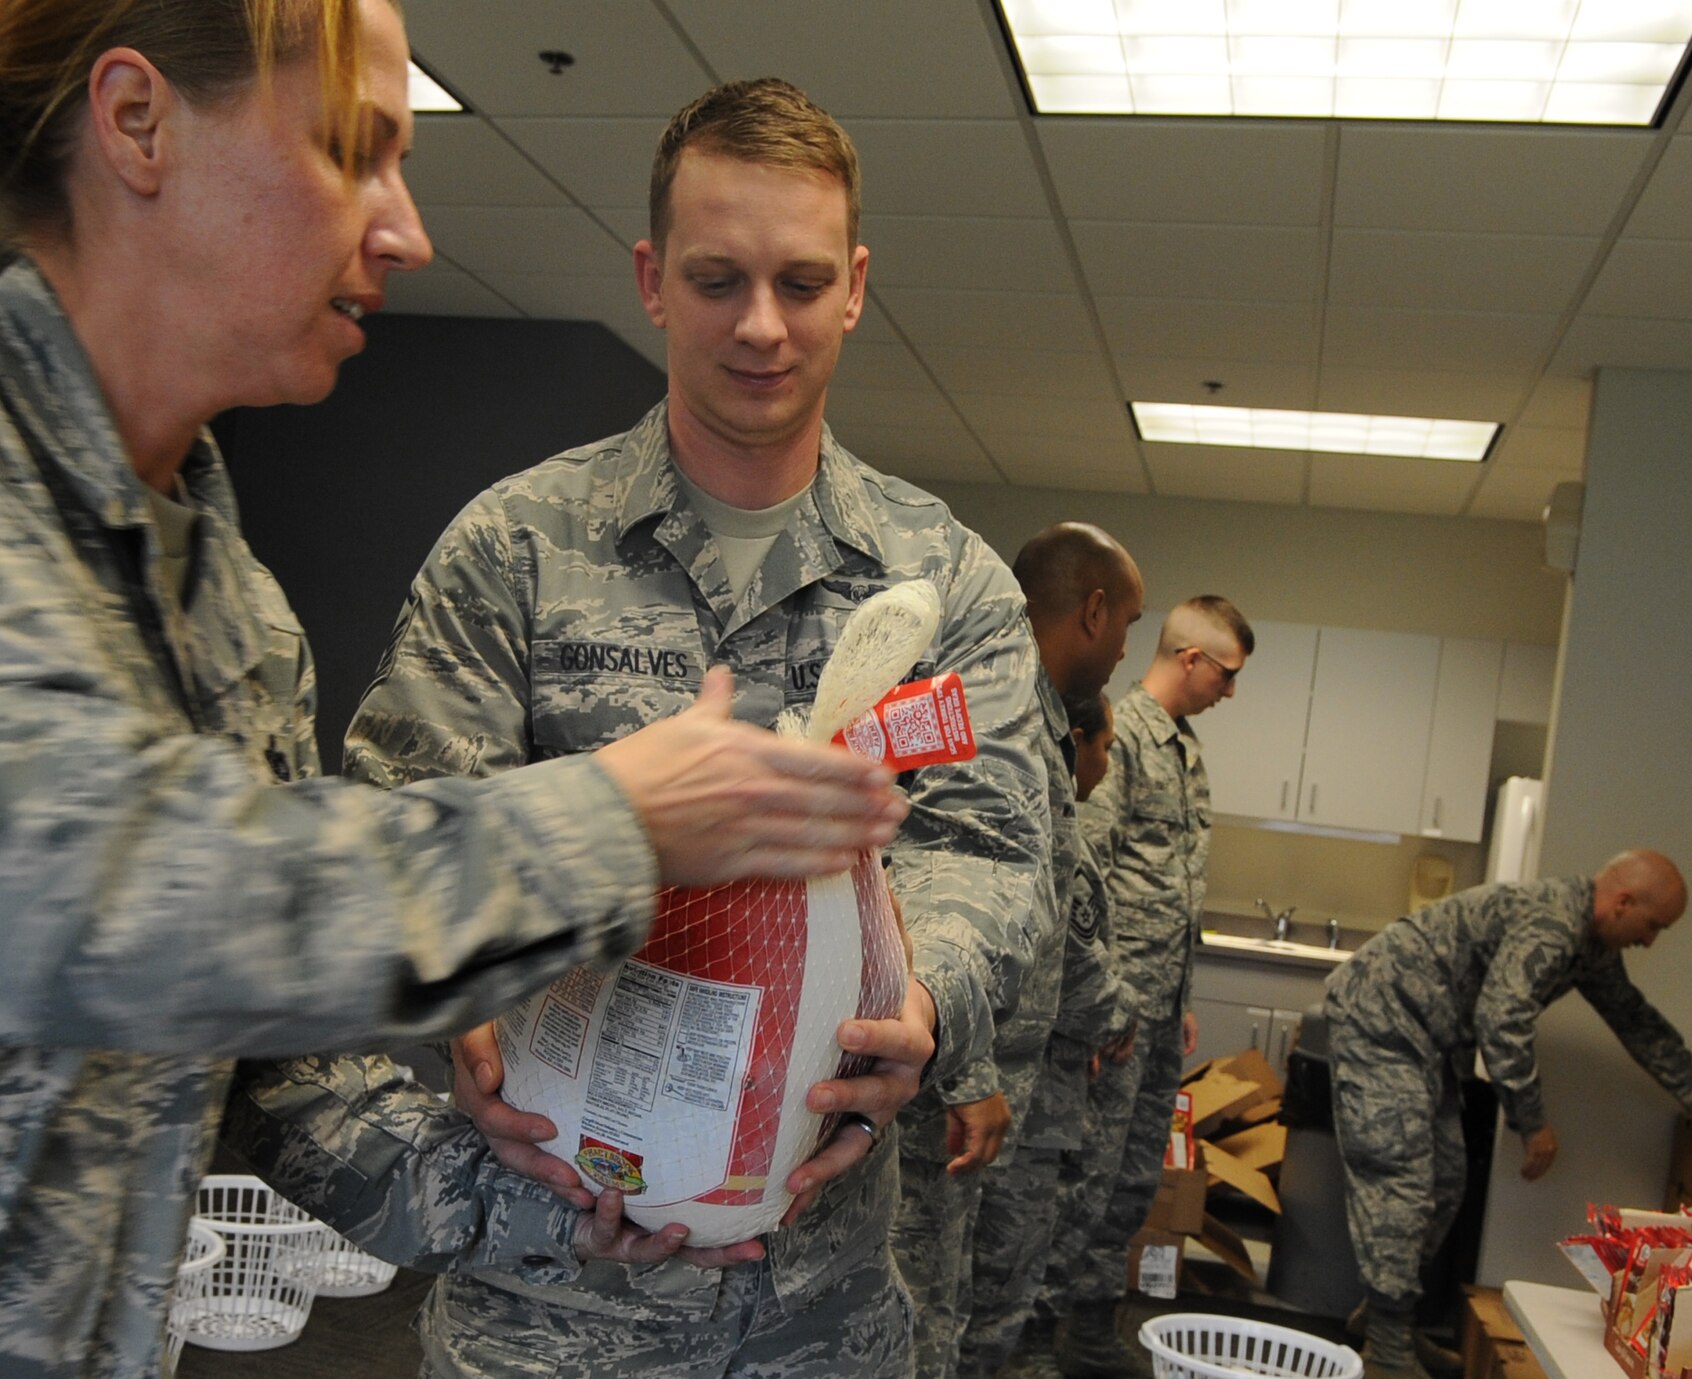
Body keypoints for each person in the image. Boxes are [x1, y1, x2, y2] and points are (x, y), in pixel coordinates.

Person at [0, 6, 910, 1375]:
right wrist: (621, 819)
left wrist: (553, 1197)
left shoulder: (225, 605)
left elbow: (276, 1064)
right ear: (138, 122)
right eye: (352, 151)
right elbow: (107, 890)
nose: (406, 228)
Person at [221, 76, 1050, 1378]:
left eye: (800, 280)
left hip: (819, 1307)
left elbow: (991, 850)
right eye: (719, 280)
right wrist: (465, 1007)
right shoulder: (518, 550)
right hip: (548, 1292)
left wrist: (920, 995)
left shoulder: (939, 586)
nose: (762, 325)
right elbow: (399, 830)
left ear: (856, 284)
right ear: (654, 279)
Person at [1327, 850, 1692, 1379]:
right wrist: (1533, 1122)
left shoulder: (1589, 944)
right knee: (1403, 1184)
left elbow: (1637, 1022)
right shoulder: (1553, 925)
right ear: (1622, 902)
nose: (1650, 941)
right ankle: (1388, 1349)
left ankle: (1392, 1322)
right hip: (1383, 1022)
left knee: (1446, 1179)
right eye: (1653, 925)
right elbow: (1502, 1018)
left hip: (1426, 1043)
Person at [944, 527, 1145, 1379]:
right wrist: (968, 1069)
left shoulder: (1024, 712)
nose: (1128, 645)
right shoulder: (994, 708)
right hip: (971, 1078)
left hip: (994, 1079)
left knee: (971, 1308)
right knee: (957, 1316)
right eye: (1130, 622)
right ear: (1092, 611)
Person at [1051, 596, 1253, 1377]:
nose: (1230, 693)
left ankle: (1093, 1331)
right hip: (1117, 1008)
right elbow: (1089, 876)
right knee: (1086, 1177)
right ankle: (1041, 1336)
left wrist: (1180, 998)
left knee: (1134, 1178)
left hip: (1159, 1006)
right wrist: (1108, 1004)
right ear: (1192, 658)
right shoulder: (1125, 735)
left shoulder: (1186, 749)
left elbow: (1171, 886)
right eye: (1227, 675)